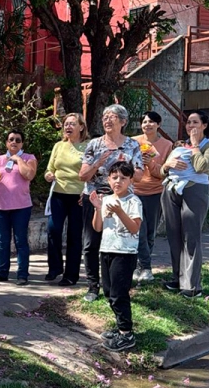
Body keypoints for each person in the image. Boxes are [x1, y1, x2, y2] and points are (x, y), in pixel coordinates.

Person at [79, 104, 143, 302]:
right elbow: (83, 175)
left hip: (122, 199)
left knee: (120, 240)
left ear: (123, 122)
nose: (107, 120)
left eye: (112, 116)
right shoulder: (94, 145)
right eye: (105, 116)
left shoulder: (132, 145)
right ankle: (92, 286)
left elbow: (139, 176)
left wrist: (129, 164)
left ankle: (118, 284)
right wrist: (99, 162)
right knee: (91, 243)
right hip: (96, 198)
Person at [161, 111, 209, 297]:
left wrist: (195, 146)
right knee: (174, 236)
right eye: (188, 122)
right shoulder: (179, 145)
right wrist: (167, 165)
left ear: (204, 125)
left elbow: (202, 166)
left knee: (191, 237)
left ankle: (192, 285)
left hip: (194, 191)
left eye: (195, 122)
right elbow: (163, 171)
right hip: (171, 190)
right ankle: (177, 278)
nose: (190, 126)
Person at [89, 161, 143, 351]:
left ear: (130, 181)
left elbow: (135, 228)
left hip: (125, 253)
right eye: (114, 177)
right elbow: (97, 227)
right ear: (108, 179)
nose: (118, 181)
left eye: (123, 178)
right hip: (107, 250)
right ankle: (120, 327)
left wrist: (120, 211)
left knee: (119, 293)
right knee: (109, 291)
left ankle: (127, 333)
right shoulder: (106, 199)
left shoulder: (134, 201)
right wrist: (97, 207)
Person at [0, 129, 37, 285]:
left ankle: (22, 274)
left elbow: (29, 175)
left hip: (21, 206)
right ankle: (2, 272)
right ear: (6, 143)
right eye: (11, 139)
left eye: (18, 140)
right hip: (1, 206)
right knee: (2, 241)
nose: (14, 142)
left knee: (20, 240)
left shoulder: (29, 158)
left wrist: (18, 160)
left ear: (22, 143)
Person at [44, 113, 89, 286]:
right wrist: (49, 174)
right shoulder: (59, 146)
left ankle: (71, 275)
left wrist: (85, 193)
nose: (68, 127)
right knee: (53, 230)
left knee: (74, 236)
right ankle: (55, 268)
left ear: (81, 127)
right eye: (66, 124)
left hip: (78, 196)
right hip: (58, 194)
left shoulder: (88, 146)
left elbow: (91, 172)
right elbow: (50, 168)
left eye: (72, 124)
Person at [132, 111, 171, 284]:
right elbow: (126, 166)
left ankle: (141, 267)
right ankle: (145, 267)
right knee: (138, 231)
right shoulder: (133, 142)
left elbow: (164, 173)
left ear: (159, 124)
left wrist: (150, 163)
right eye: (145, 122)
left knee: (150, 233)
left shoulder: (167, 145)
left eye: (152, 122)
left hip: (156, 193)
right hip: (135, 192)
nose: (148, 124)